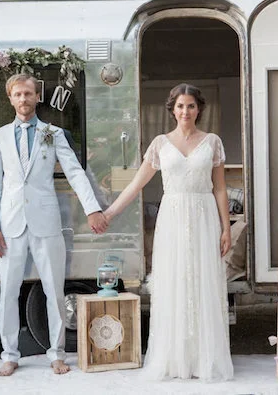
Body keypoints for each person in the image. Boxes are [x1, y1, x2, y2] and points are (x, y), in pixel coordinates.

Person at [104, 83, 234, 381]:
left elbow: (221, 188)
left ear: (198, 109)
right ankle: (174, 359)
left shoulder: (212, 142)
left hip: (203, 216)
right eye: (180, 106)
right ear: (172, 110)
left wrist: (226, 228)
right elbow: (136, 184)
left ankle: (204, 360)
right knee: (174, 281)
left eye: (190, 105)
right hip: (173, 217)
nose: (185, 111)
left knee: (203, 282)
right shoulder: (160, 143)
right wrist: (110, 213)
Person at [0, 74, 107, 377]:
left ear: (37, 97)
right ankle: (10, 355)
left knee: (54, 290)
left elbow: (75, 173)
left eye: (28, 93)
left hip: (46, 222)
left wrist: (92, 209)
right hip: (10, 224)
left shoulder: (53, 133)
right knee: (8, 292)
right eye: (18, 94)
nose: (23, 99)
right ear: (10, 98)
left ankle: (56, 354)